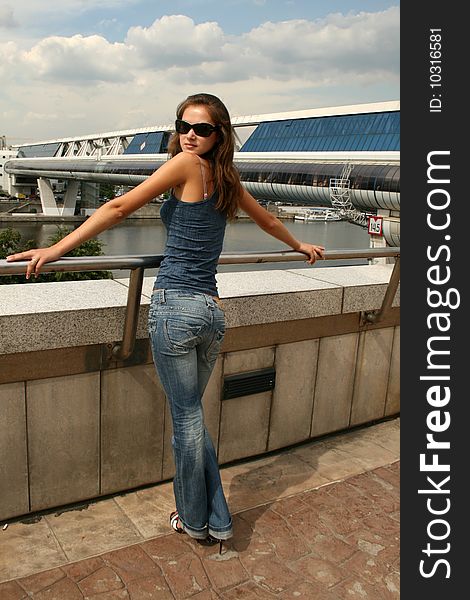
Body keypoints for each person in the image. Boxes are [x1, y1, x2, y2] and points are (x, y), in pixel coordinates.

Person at [7, 93, 324, 551]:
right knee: (192, 416)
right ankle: (214, 518)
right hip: (211, 313)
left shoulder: (185, 166)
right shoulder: (225, 178)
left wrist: (55, 250)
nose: (190, 135)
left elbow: (118, 209)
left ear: (220, 136)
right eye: (183, 125)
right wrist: (299, 246)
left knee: (186, 420)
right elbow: (269, 221)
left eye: (202, 129)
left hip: (176, 306)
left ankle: (196, 521)